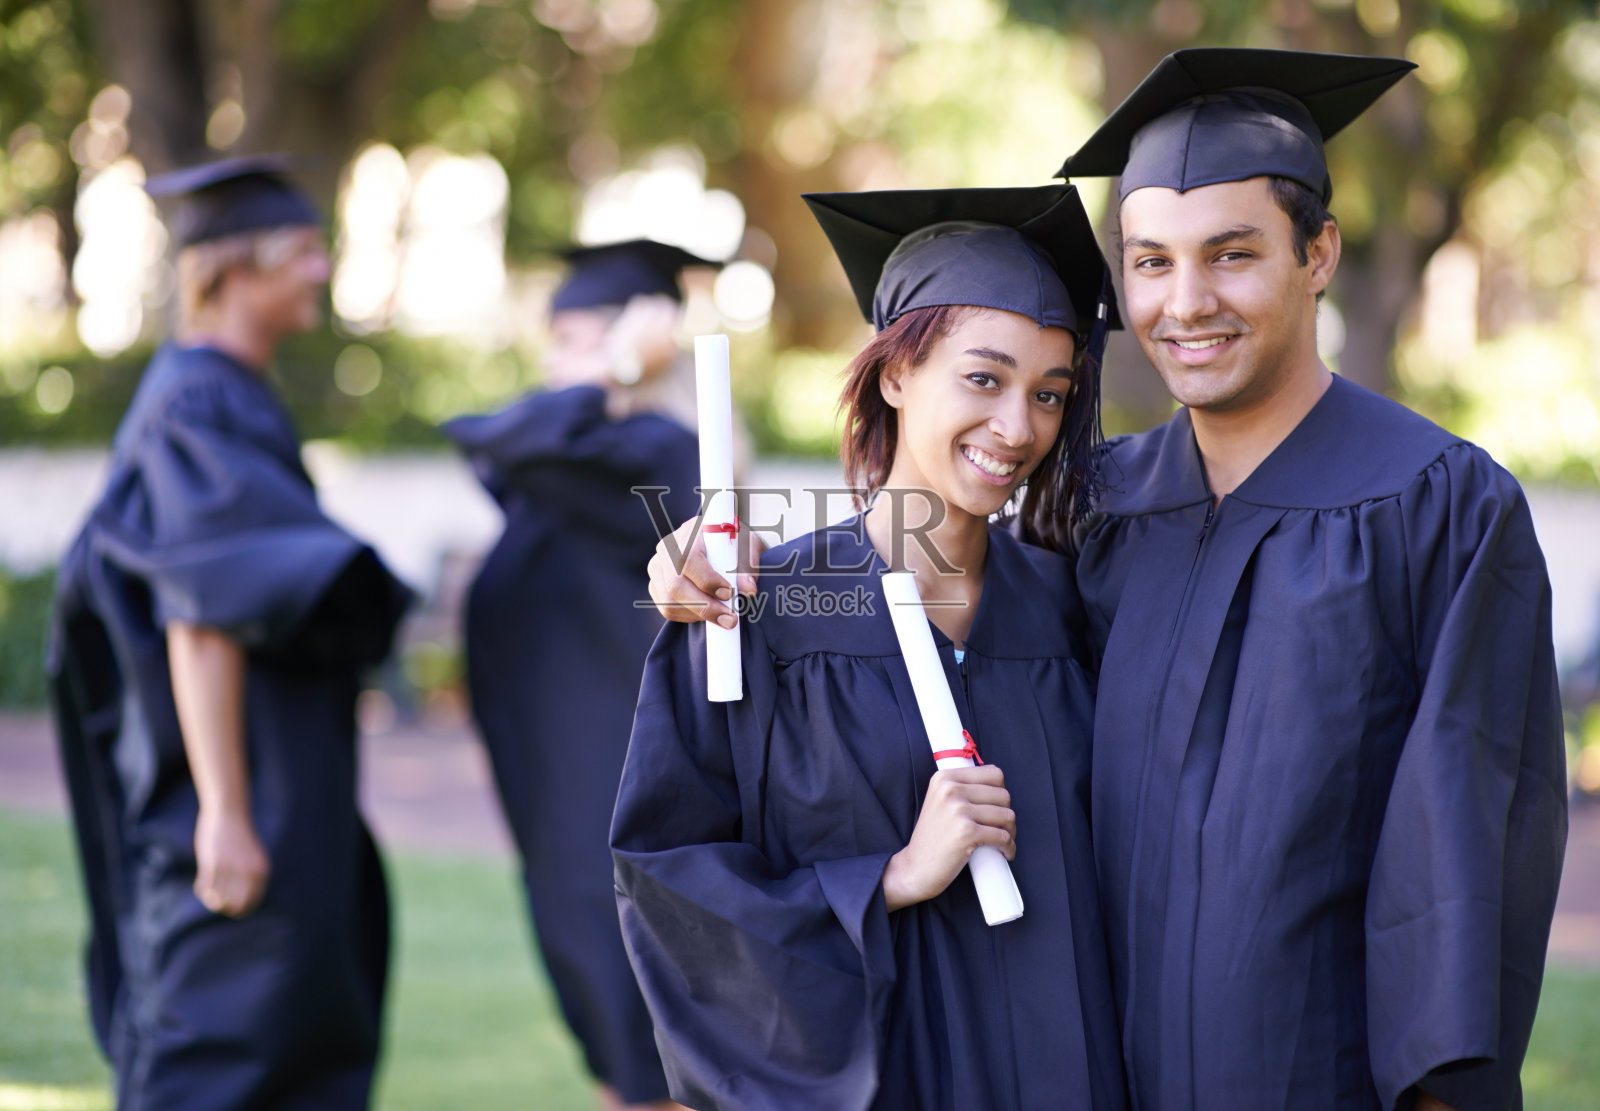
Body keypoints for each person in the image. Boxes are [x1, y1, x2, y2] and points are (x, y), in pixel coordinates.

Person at [645, 48, 1568, 1111]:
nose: (1186, 302)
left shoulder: (1437, 504)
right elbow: (919, 579)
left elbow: (1466, 833)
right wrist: (700, 571)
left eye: (1230, 255)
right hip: (1100, 1069)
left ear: (1317, 253)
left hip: (1317, 1076)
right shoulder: (1100, 510)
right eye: (1149, 261)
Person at [612, 184, 1127, 1111]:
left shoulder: (1074, 610)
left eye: (1050, 394)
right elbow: (671, 888)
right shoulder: (756, 616)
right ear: (895, 374)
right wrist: (889, 879)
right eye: (984, 377)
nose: (1019, 427)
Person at [48, 155, 411, 1109]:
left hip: (274, 785)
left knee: (285, 1043)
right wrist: (226, 811)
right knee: (220, 1054)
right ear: (228, 269)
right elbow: (202, 612)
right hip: (228, 799)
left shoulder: (229, 396)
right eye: (301, 251)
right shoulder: (198, 403)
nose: (320, 272)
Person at [440, 240, 711, 1111]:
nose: (559, 361)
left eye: (580, 336)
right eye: (556, 339)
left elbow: (507, 431)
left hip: (619, 805)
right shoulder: (565, 465)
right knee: (605, 1024)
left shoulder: (658, 454)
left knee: (650, 1041)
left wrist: (622, 367)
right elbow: (489, 439)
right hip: (556, 803)